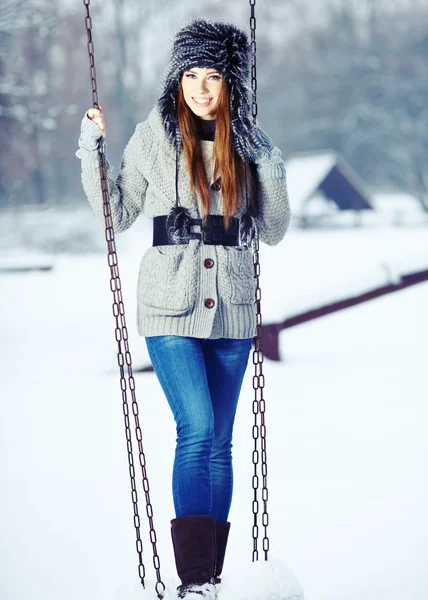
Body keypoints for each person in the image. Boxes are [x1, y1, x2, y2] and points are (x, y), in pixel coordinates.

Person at [76, 18, 291, 600]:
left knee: (220, 439)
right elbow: (116, 214)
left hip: (232, 311)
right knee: (196, 429)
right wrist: (90, 150)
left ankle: (212, 578)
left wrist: (269, 161)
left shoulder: (245, 143)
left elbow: (271, 231)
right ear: (177, 77)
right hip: (169, 306)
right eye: (191, 74)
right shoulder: (153, 137)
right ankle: (194, 581)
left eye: (213, 75)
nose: (200, 87)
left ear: (230, 84)